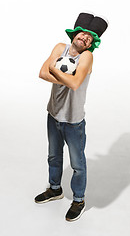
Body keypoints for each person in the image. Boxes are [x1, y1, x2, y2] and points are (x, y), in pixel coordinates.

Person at [34, 12, 108, 222]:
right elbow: (41, 73)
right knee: (53, 156)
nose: (86, 38)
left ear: (91, 44)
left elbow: (75, 84)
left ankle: (79, 200)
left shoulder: (87, 56)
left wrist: (54, 69)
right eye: (84, 34)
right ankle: (55, 189)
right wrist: (66, 75)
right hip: (53, 114)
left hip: (73, 121)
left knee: (77, 164)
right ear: (75, 33)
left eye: (90, 38)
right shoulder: (60, 47)